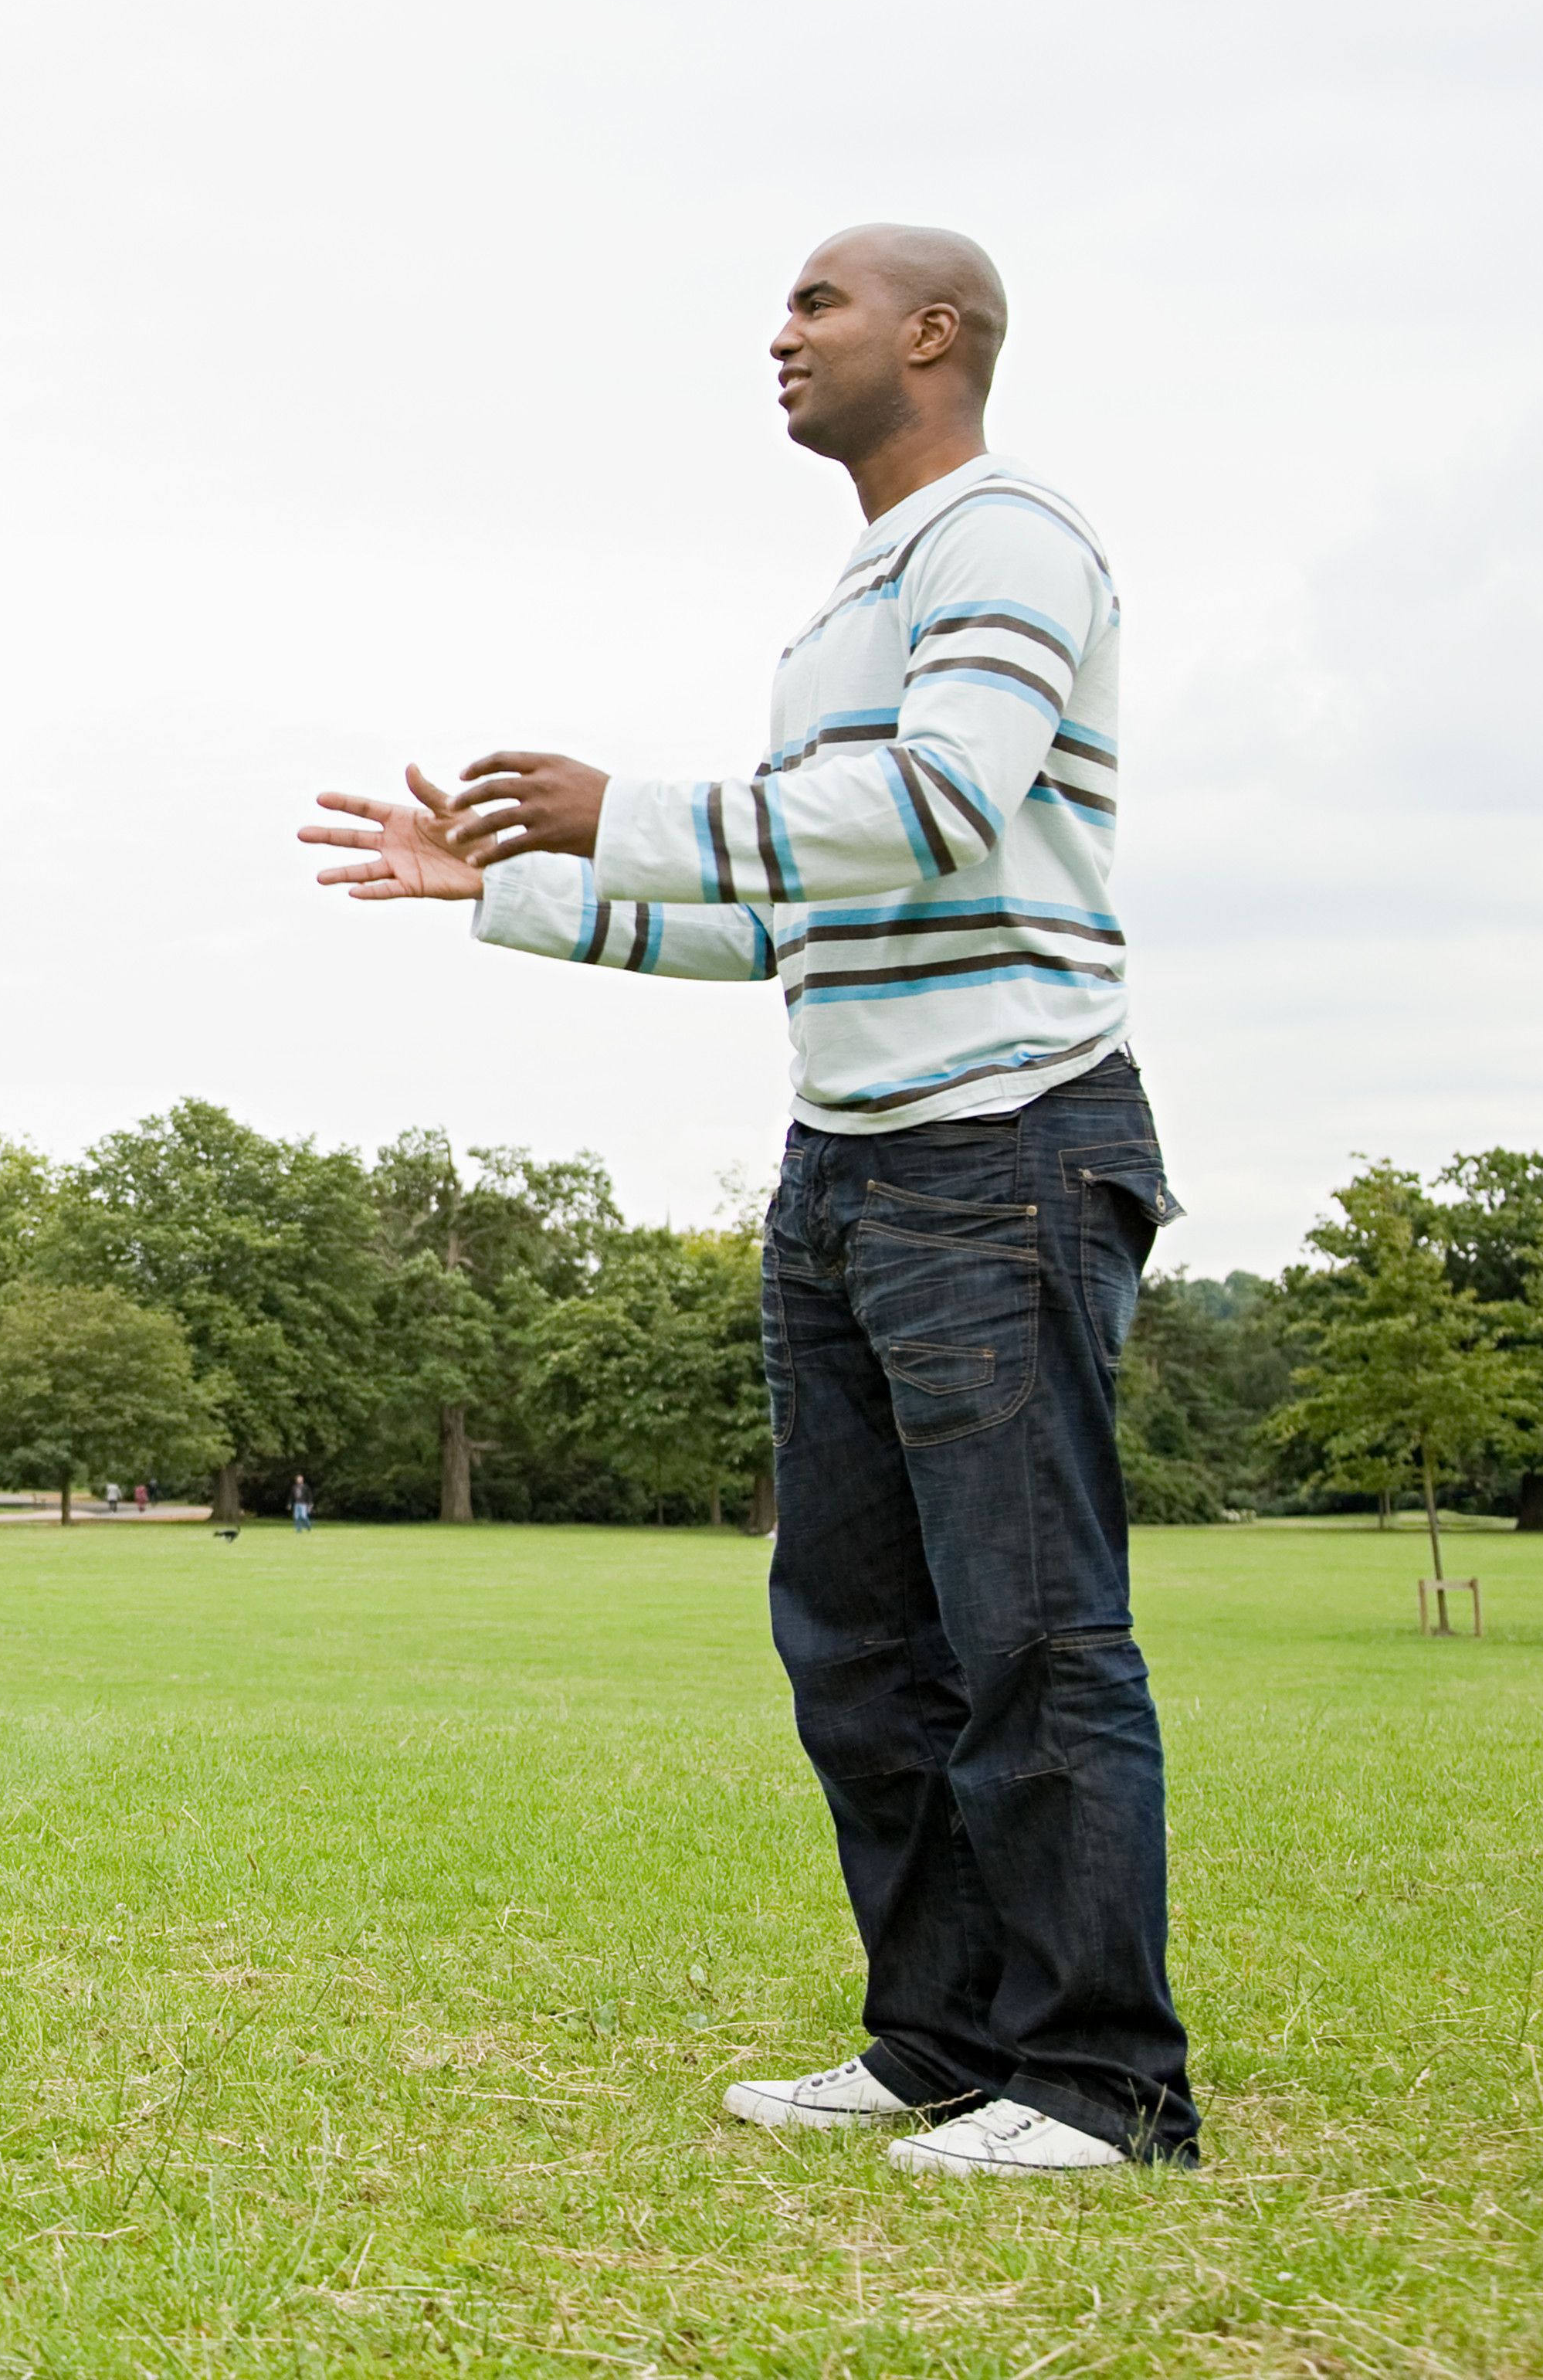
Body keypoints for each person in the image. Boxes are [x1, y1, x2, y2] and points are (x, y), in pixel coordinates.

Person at [302, 226, 1198, 2175]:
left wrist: (626, 803)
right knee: (861, 1647)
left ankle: (1100, 2081)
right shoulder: (839, 609)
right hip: (850, 1169)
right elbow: (805, 903)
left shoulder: (1008, 535)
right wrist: (506, 888)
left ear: (935, 333)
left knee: (1031, 1638)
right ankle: (946, 2040)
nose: (779, 335)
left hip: (1008, 1146)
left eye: (818, 303)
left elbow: (943, 801)